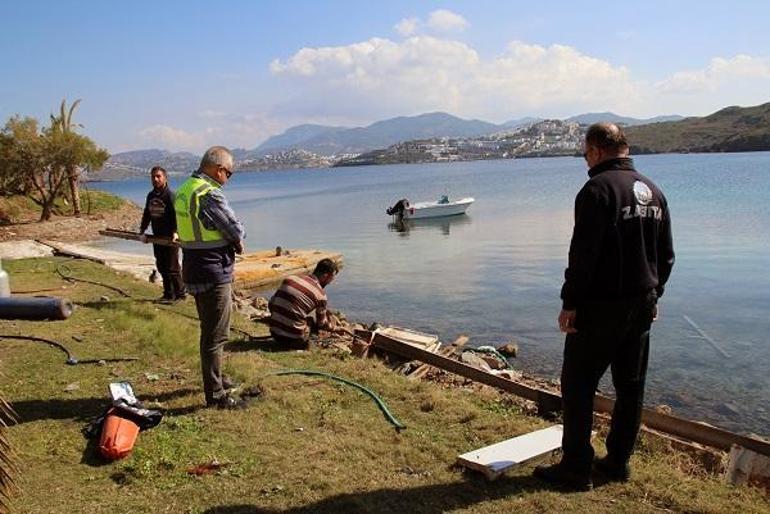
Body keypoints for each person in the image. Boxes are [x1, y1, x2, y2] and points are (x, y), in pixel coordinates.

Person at [534, 123, 675, 491]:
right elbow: (667, 256)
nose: (585, 161)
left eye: (584, 154)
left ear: (596, 150)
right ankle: (617, 462)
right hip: (641, 303)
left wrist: (570, 303)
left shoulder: (597, 190)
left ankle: (576, 467)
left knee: (578, 384)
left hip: (601, 307)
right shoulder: (654, 192)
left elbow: (584, 255)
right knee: (631, 386)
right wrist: (654, 294)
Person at [173, 146, 246, 409]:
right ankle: (216, 395)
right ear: (218, 169)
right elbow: (235, 229)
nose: (229, 177)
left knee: (209, 330)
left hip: (193, 267)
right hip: (214, 270)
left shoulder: (184, 189)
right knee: (216, 336)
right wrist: (239, 239)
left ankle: (217, 378)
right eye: (230, 172)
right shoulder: (209, 194)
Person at [268, 258, 339, 349]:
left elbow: (271, 304)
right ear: (325, 276)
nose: (331, 282)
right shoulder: (321, 295)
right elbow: (321, 324)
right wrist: (334, 327)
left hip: (274, 333)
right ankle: (310, 345)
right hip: (293, 340)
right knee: (313, 321)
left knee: (304, 311)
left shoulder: (291, 278)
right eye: (332, 278)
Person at [139, 166, 186, 301]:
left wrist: (176, 232)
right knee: (161, 266)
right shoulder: (151, 196)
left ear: (165, 178)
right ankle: (168, 294)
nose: (155, 179)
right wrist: (142, 230)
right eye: (153, 177)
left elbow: (178, 216)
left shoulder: (170, 195)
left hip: (170, 237)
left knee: (172, 267)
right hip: (157, 236)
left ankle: (180, 295)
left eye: (158, 176)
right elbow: (147, 214)